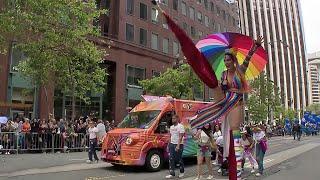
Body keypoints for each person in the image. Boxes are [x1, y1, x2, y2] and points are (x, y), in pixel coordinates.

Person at [153, 1, 263, 179]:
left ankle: (240, 168)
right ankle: (229, 162)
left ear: (234, 61)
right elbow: (218, 90)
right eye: (225, 60)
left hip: (236, 104)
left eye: (229, 60)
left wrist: (255, 46)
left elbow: (248, 59)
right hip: (225, 104)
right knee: (211, 120)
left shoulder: (240, 71)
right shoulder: (223, 75)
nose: (227, 62)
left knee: (235, 134)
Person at [165, 114, 185, 179]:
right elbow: (170, 136)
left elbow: (181, 136)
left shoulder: (180, 126)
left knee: (179, 159)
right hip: (172, 144)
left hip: (179, 144)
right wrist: (168, 145)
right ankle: (172, 173)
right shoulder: (171, 127)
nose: (172, 120)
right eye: (172, 118)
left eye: (174, 118)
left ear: (177, 119)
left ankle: (182, 172)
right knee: (171, 159)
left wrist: (178, 146)